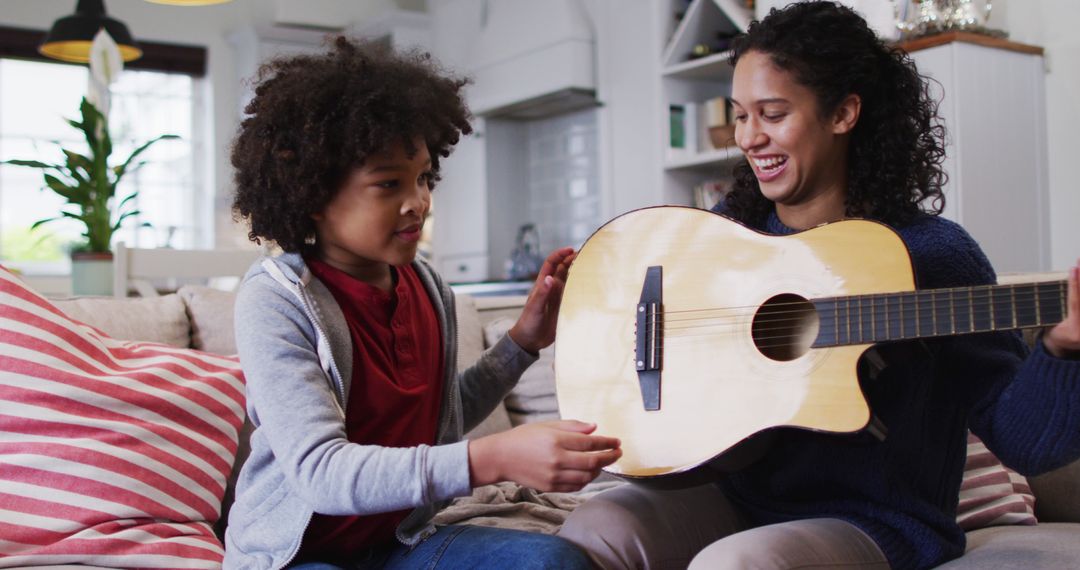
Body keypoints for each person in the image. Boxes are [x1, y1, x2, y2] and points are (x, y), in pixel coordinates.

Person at [557, 2, 1080, 569]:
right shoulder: (732, 230)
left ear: (843, 113)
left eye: (773, 113)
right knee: (594, 527)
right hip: (740, 496)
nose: (750, 138)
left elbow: (1024, 441)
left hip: (876, 519)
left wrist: (1062, 351)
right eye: (740, 115)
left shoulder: (932, 254)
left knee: (737, 565)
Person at [223, 37, 620, 570]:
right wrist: (493, 457)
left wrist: (523, 342)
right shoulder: (276, 299)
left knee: (554, 561)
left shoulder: (428, 288)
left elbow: (438, 421)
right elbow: (321, 473)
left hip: (399, 544)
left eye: (424, 178)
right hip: (297, 556)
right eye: (389, 183)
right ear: (313, 193)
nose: (419, 202)